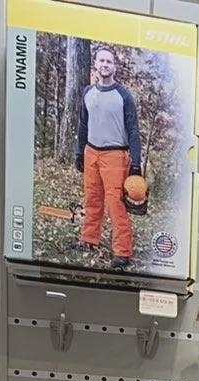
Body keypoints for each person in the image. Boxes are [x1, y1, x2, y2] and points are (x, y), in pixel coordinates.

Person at [74, 45, 143, 269]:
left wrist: (135, 163)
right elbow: (83, 125)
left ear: (114, 66)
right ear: (95, 64)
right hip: (91, 152)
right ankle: (88, 240)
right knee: (92, 198)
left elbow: (133, 130)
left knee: (115, 204)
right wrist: (79, 152)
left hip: (115, 155)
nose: (105, 64)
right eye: (101, 60)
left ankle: (122, 252)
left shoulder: (123, 96)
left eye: (109, 61)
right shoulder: (88, 92)